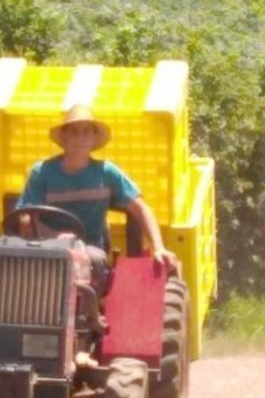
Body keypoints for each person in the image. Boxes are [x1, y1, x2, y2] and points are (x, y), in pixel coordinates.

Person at [15, 104, 176, 272]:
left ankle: (88, 298)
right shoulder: (42, 172)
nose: (80, 137)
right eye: (74, 131)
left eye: (86, 131)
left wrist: (158, 247)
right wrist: (55, 236)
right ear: (63, 137)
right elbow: (25, 218)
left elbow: (141, 209)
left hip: (89, 249)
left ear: (94, 138)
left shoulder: (106, 172)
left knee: (91, 261)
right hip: (48, 246)